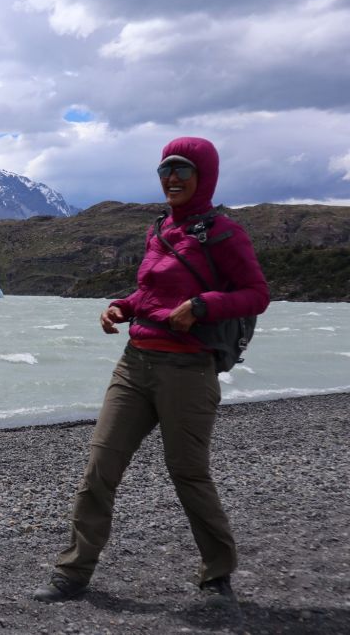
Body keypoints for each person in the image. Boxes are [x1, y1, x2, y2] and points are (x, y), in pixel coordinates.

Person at [33, 136, 269, 604]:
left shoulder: (223, 233)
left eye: (183, 169)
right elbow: (151, 294)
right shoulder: (159, 228)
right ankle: (74, 572)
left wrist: (202, 306)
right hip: (135, 364)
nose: (173, 178)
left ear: (205, 175)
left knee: (188, 473)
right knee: (100, 468)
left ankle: (217, 574)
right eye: (165, 170)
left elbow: (256, 294)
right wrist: (122, 306)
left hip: (188, 370)